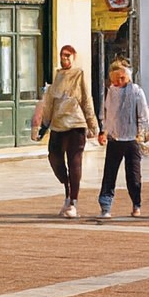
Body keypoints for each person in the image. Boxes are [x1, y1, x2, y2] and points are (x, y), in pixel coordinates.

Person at [30, 45, 97, 217]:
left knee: (74, 161)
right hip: (58, 125)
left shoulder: (79, 74)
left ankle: (73, 201)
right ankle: (67, 187)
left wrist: (93, 124)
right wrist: (43, 125)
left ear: (74, 57)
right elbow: (50, 101)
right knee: (54, 158)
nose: (64, 59)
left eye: (67, 56)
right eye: (62, 55)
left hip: (76, 124)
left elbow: (86, 99)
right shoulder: (57, 75)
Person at [96, 58, 149, 219]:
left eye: (122, 78)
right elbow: (108, 114)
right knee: (109, 174)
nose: (119, 81)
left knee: (133, 175)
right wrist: (104, 132)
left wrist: (142, 133)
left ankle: (136, 203)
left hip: (132, 139)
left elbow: (143, 114)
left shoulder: (136, 91)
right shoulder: (111, 92)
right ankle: (105, 205)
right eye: (115, 79)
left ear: (128, 77)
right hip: (115, 139)